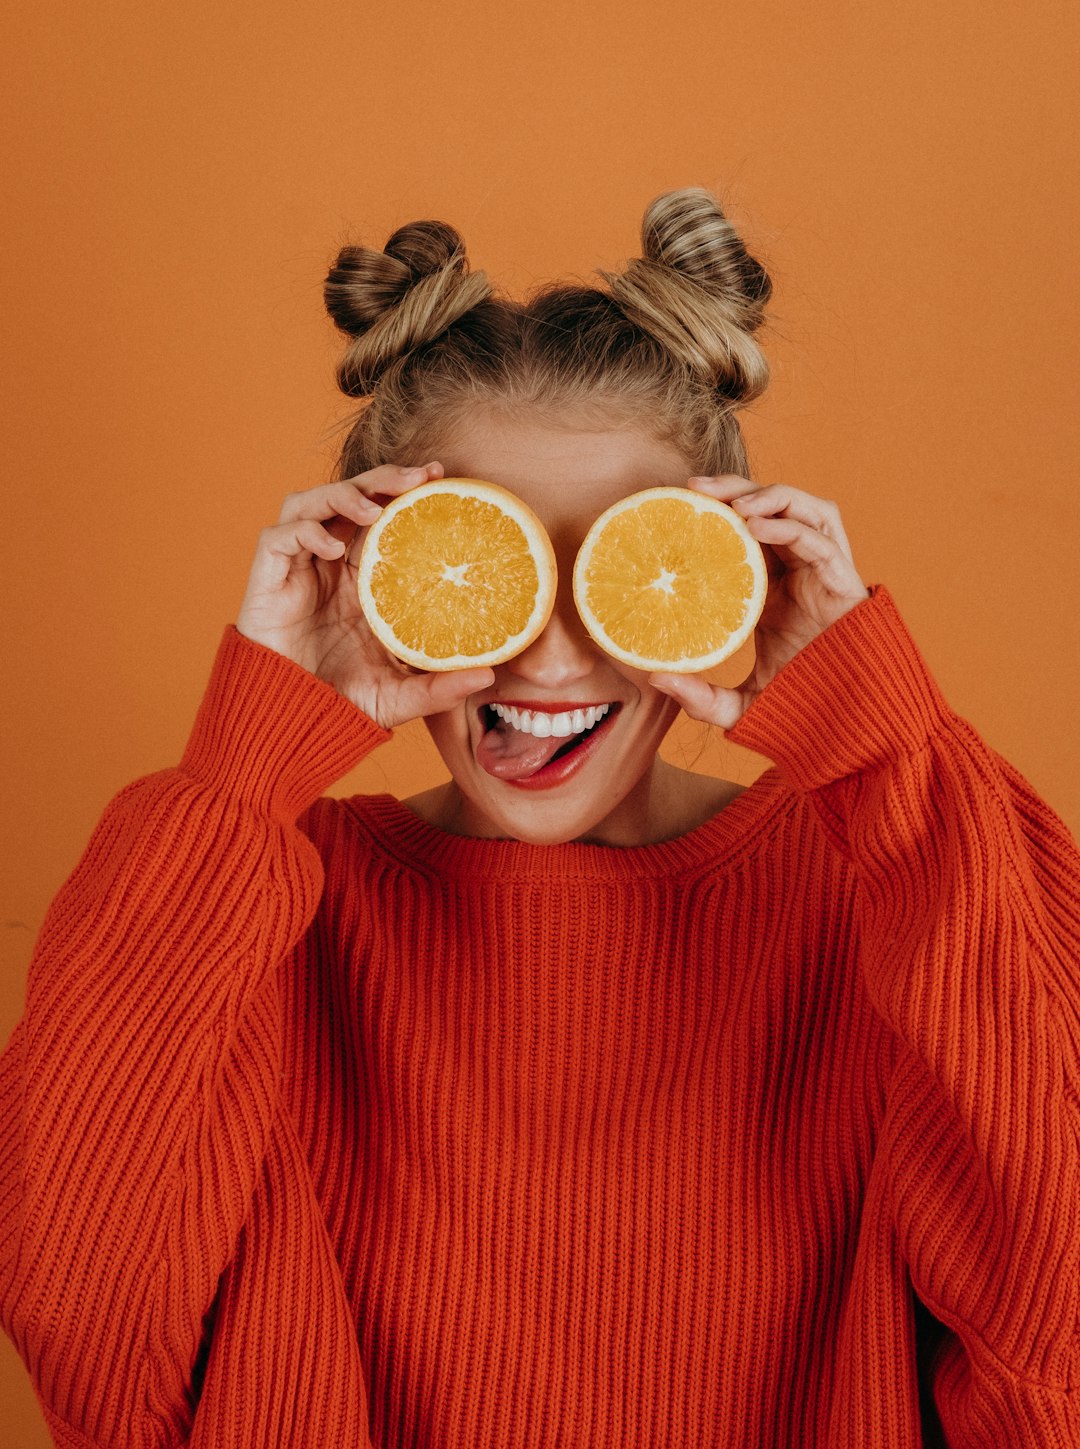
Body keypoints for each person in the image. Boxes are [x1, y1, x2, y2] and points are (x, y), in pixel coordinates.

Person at [1, 188, 1077, 1448]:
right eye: (481, 566)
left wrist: (887, 751)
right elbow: (82, 1331)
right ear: (371, 575)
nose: (554, 662)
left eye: (627, 568)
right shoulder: (261, 911)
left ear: (731, 576)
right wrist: (244, 766)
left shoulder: (894, 880)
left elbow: (1050, 1340)